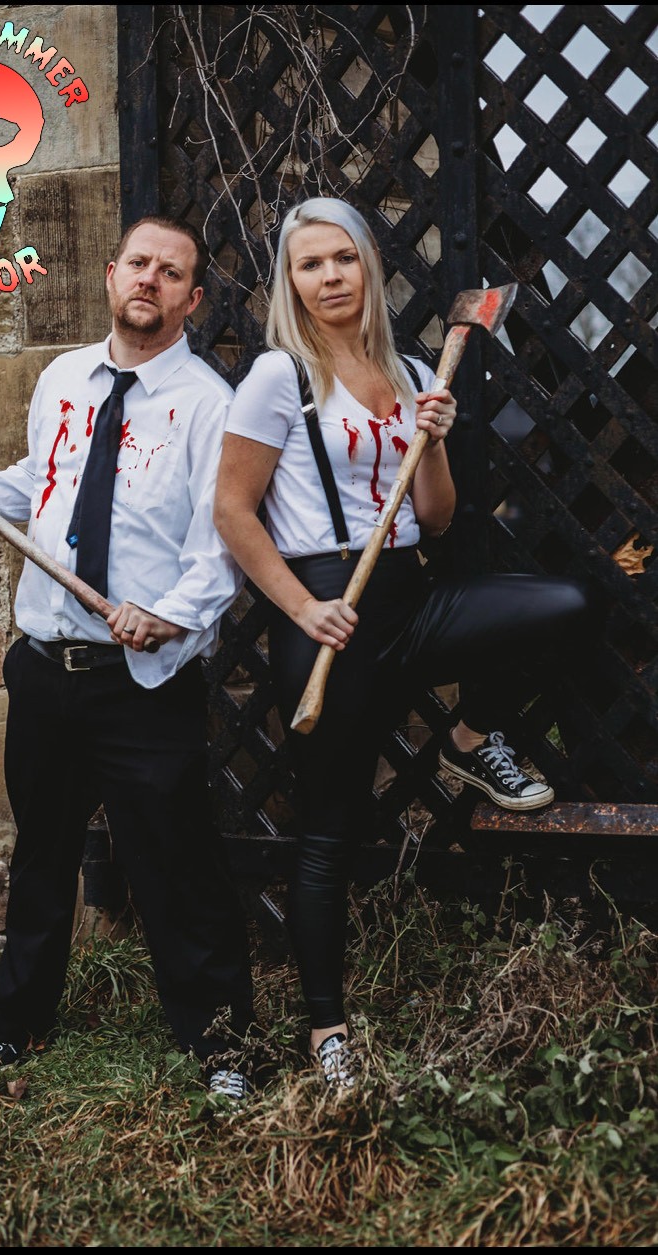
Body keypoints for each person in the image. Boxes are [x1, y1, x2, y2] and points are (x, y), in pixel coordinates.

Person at [213, 196, 601, 1092]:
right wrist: (303, 612)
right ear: (291, 282)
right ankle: (327, 1032)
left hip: (409, 597)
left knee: (565, 601)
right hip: (325, 610)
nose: (331, 277)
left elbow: (436, 517)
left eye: (343, 258)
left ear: (370, 267)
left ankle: (470, 737)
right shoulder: (279, 377)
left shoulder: (414, 364)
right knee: (330, 833)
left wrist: (430, 442)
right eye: (310, 264)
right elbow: (233, 512)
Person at [0, 215, 256, 1102]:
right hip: (45, 671)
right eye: (138, 263)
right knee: (40, 859)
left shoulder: (208, 405)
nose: (150, 279)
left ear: (192, 297)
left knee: (176, 864)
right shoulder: (65, 377)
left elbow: (216, 552)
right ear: (112, 277)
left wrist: (170, 618)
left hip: (141, 680)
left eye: (170, 271)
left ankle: (220, 1046)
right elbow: (36, 487)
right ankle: (14, 1031)